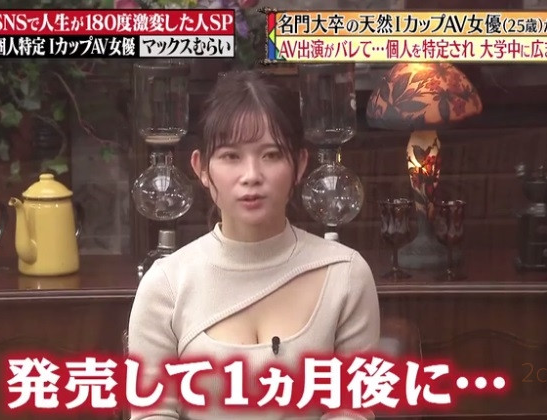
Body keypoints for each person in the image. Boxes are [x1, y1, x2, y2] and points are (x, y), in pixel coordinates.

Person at [126, 70, 381, 420]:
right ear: (201, 168)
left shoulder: (345, 274)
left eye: (271, 155)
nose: (251, 176)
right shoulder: (167, 284)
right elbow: (153, 412)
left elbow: (351, 410)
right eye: (231, 156)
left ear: (300, 164)